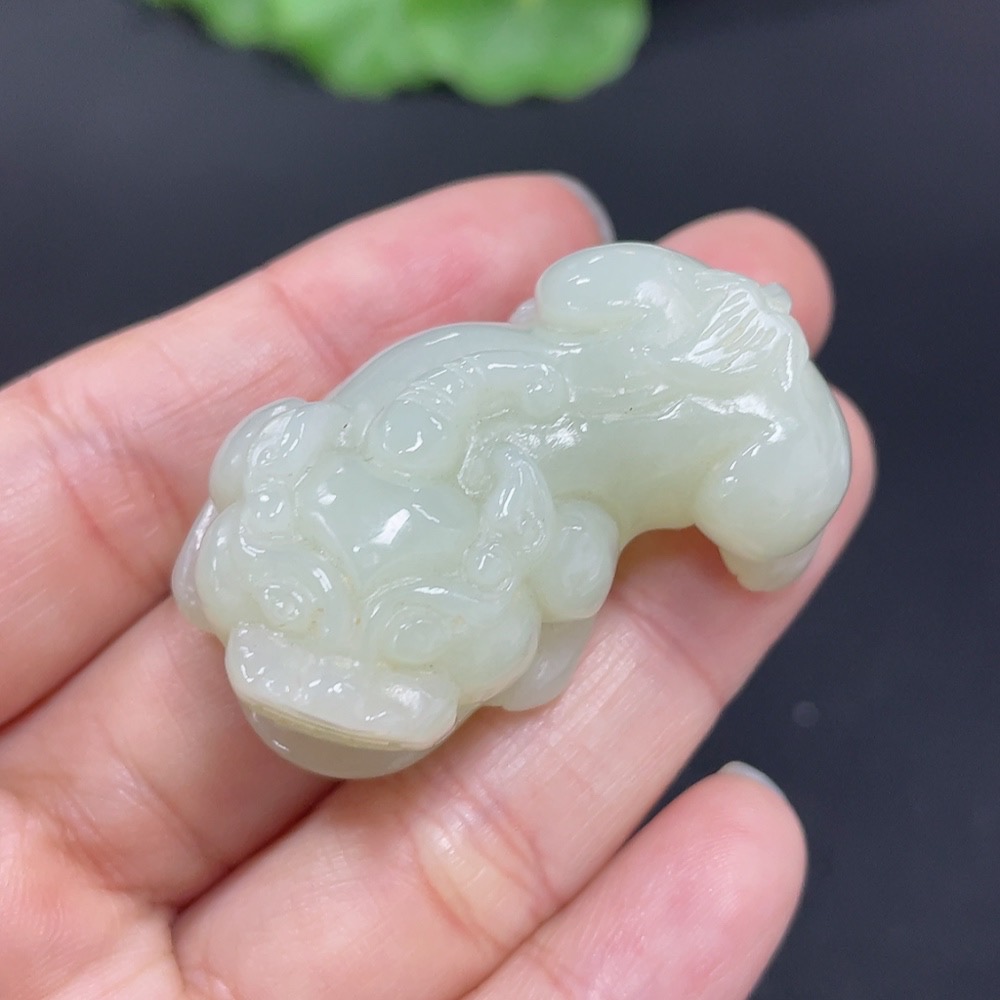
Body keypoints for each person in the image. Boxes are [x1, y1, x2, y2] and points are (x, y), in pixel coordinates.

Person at [0, 174, 873, 1000]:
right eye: (293, 606)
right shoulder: (324, 476)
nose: (334, 694)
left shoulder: (599, 488)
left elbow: (552, 621)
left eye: (411, 640)